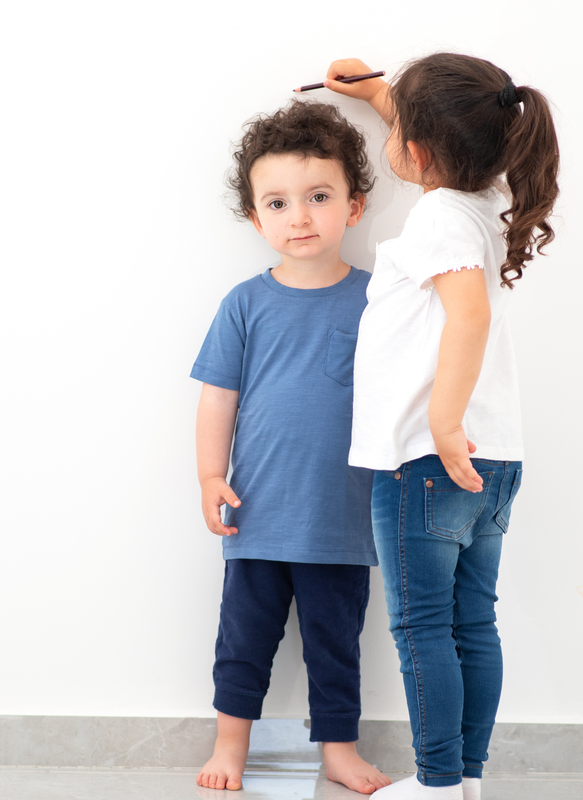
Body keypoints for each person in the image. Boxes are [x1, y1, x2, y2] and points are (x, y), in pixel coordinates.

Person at [324, 54, 560, 800]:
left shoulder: (434, 216)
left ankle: (432, 787)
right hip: (493, 461)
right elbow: (438, 136)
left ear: (422, 153)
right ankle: (463, 782)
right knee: (470, 625)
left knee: (423, 629)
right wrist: (378, 95)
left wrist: (443, 421)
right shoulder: (487, 196)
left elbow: (469, 313)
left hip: (430, 458)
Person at [192, 100, 392, 795]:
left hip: (342, 519)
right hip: (257, 515)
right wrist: (210, 477)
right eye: (278, 202)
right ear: (256, 218)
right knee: (243, 644)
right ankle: (230, 744)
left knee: (336, 648)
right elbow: (218, 396)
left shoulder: (378, 301)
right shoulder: (245, 304)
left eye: (318, 197)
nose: (299, 216)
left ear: (354, 206)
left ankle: (337, 750)